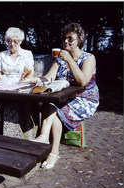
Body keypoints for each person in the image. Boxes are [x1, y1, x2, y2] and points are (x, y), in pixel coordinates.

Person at [24, 22, 99, 169]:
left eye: (70, 39)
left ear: (79, 41)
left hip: (85, 99)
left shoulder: (89, 58)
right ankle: (45, 138)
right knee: (50, 101)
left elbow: (82, 81)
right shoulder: (59, 59)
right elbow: (49, 77)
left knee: (56, 109)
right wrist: (35, 79)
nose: (66, 41)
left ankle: (53, 151)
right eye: (64, 38)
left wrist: (70, 61)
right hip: (65, 97)